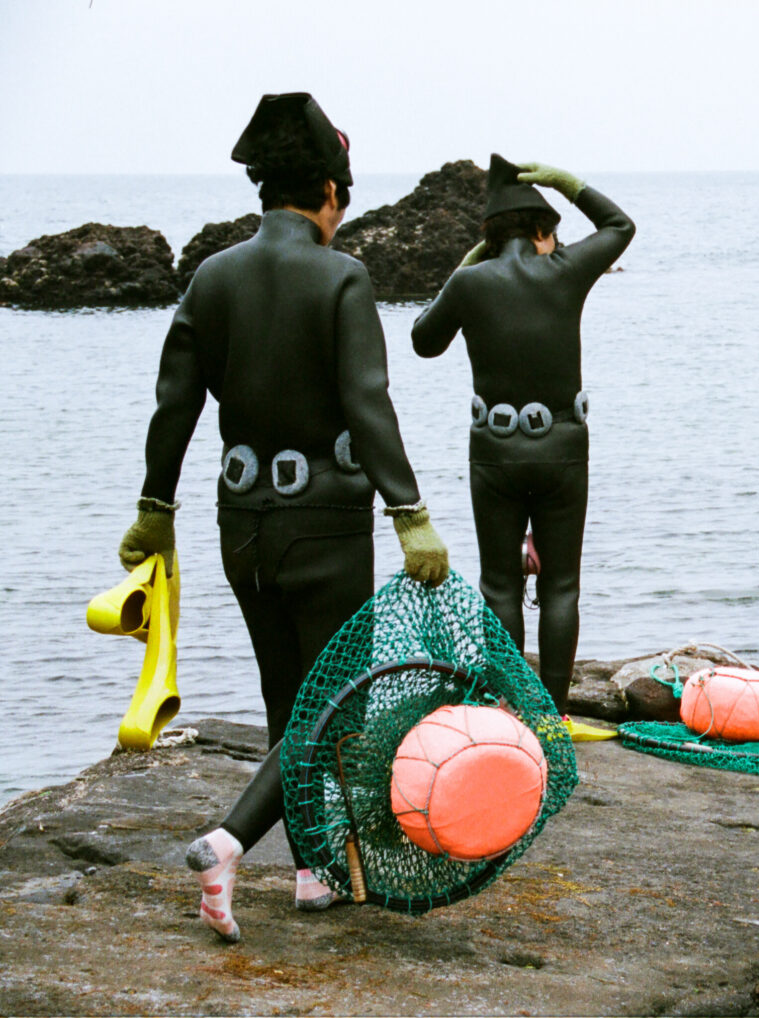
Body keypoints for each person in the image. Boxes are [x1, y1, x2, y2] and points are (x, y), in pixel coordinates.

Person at [116, 93, 450, 942]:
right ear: (330, 192)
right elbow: (368, 404)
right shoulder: (341, 275)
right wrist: (410, 513)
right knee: (332, 706)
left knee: (285, 695)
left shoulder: (212, 276)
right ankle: (229, 843)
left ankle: (311, 869)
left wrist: (156, 511)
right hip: (327, 524)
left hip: (243, 525)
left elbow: (173, 405)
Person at [411, 155, 634, 713]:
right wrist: (568, 182)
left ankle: (507, 711)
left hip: (494, 453)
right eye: (553, 235)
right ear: (538, 229)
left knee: (501, 586)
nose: (558, 246)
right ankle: (552, 717)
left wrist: (463, 272)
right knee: (561, 587)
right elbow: (621, 227)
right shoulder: (565, 271)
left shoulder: (470, 282)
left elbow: (422, 340)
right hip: (563, 449)